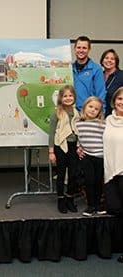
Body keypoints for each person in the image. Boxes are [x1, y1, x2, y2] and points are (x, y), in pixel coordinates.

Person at [48, 85, 79, 213]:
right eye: (65, 96)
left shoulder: (77, 112)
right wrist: (51, 152)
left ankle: (70, 198)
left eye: (70, 95)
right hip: (60, 145)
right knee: (61, 174)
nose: (68, 98)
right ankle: (61, 200)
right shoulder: (56, 113)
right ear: (60, 98)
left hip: (74, 146)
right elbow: (51, 133)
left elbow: (79, 130)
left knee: (73, 174)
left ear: (74, 97)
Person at [75, 96, 106, 216]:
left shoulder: (102, 124)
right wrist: (79, 148)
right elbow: (78, 139)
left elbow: (106, 139)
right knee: (89, 181)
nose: (93, 110)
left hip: (100, 156)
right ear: (84, 107)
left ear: (99, 112)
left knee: (98, 181)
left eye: (96, 109)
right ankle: (90, 206)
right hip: (87, 156)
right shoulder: (78, 124)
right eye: (90, 106)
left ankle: (98, 205)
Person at [103, 87, 123, 263]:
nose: (122, 102)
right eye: (119, 99)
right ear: (114, 101)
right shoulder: (108, 119)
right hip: (111, 171)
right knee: (116, 208)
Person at [72, 36, 106, 111]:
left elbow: (101, 94)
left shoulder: (96, 69)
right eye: (79, 47)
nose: (81, 50)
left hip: (89, 114)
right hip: (72, 113)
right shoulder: (70, 69)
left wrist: (101, 114)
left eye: (84, 48)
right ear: (74, 49)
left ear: (89, 50)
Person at [100, 49, 123, 117]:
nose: (109, 60)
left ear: (116, 62)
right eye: (106, 58)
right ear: (102, 60)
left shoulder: (121, 75)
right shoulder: (98, 75)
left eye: (112, 59)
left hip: (117, 116)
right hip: (99, 115)